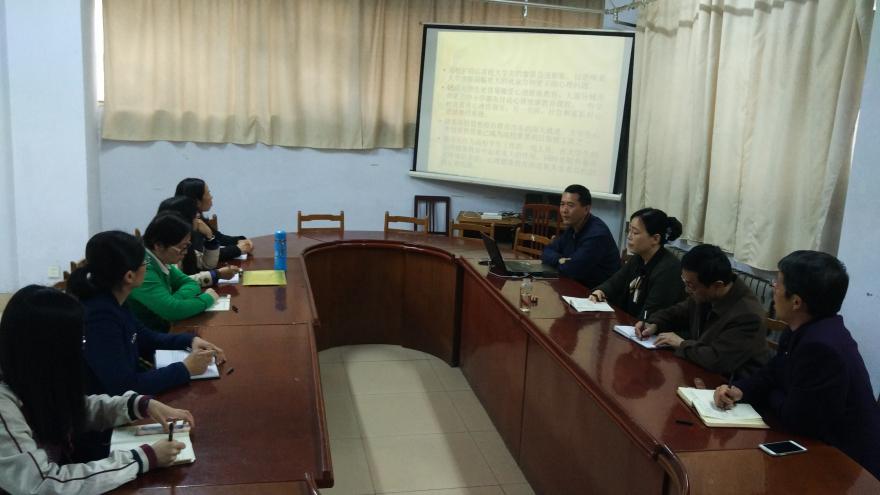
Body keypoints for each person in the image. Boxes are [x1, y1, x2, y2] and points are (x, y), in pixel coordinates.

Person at [0, 285, 193, 494]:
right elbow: (41, 484)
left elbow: (74, 408)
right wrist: (141, 459)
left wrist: (138, 404)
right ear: (48, 349)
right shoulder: (4, 405)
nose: (82, 351)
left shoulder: (28, 372)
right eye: (78, 343)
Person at [714, 251, 880, 478]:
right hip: (813, 442)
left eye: (778, 283)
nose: (773, 288)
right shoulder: (803, 327)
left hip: (847, 465)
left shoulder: (822, 347)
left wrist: (770, 392)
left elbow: (797, 419)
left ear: (796, 302)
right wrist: (739, 390)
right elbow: (773, 372)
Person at [67, 230, 227, 396]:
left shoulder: (114, 299)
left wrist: (190, 340)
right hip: (114, 406)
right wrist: (185, 368)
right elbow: (125, 387)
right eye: (144, 262)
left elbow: (146, 338)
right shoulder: (99, 318)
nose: (147, 266)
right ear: (129, 276)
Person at [634, 244, 768, 378]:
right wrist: (654, 323)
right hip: (698, 371)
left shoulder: (748, 316)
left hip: (728, 384)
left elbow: (717, 360)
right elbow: (677, 312)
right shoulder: (706, 294)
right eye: (684, 282)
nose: (686, 290)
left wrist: (681, 344)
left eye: (690, 285)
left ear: (717, 285)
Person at [127, 212, 220, 333]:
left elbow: (191, 283)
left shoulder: (161, 259)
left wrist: (174, 300)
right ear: (159, 245)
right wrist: (207, 299)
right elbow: (173, 311)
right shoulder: (143, 268)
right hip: (146, 337)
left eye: (187, 246)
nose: (185, 252)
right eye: (182, 247)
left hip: (163, 329)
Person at [589, 208, 686, 318]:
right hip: (629, 323)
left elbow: (651, 314)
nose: (629, 236)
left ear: (655, 239)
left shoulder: (669, 269)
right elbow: (614, 283)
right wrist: (600, 291)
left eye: (635, 232)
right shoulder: (638, 258)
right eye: (629, 231)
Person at [541, 184, 621, 289]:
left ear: (586, 209)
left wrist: (562, 262)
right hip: (575, 286)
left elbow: (572, 270)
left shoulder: (597, 234)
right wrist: (559, 259)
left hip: (597, 293)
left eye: (570, 205)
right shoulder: (572, 227)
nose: (564, 210)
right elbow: (546, 252)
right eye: (562, 204)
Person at [157, 196, 239, 284]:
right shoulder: (167, 247)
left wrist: (210, 236)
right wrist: (216, 274)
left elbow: (207, 264)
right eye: (194, 213)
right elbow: (176, 283)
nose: (198, 215)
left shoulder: (185, 241)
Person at [175, 178, 253, 261]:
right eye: (208, 193)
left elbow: (219, 238)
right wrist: (238, 249)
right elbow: (203, 256)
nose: (211, 197)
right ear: (197, 201)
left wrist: (241, 240)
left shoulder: (197, 218)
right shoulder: (185, 225)